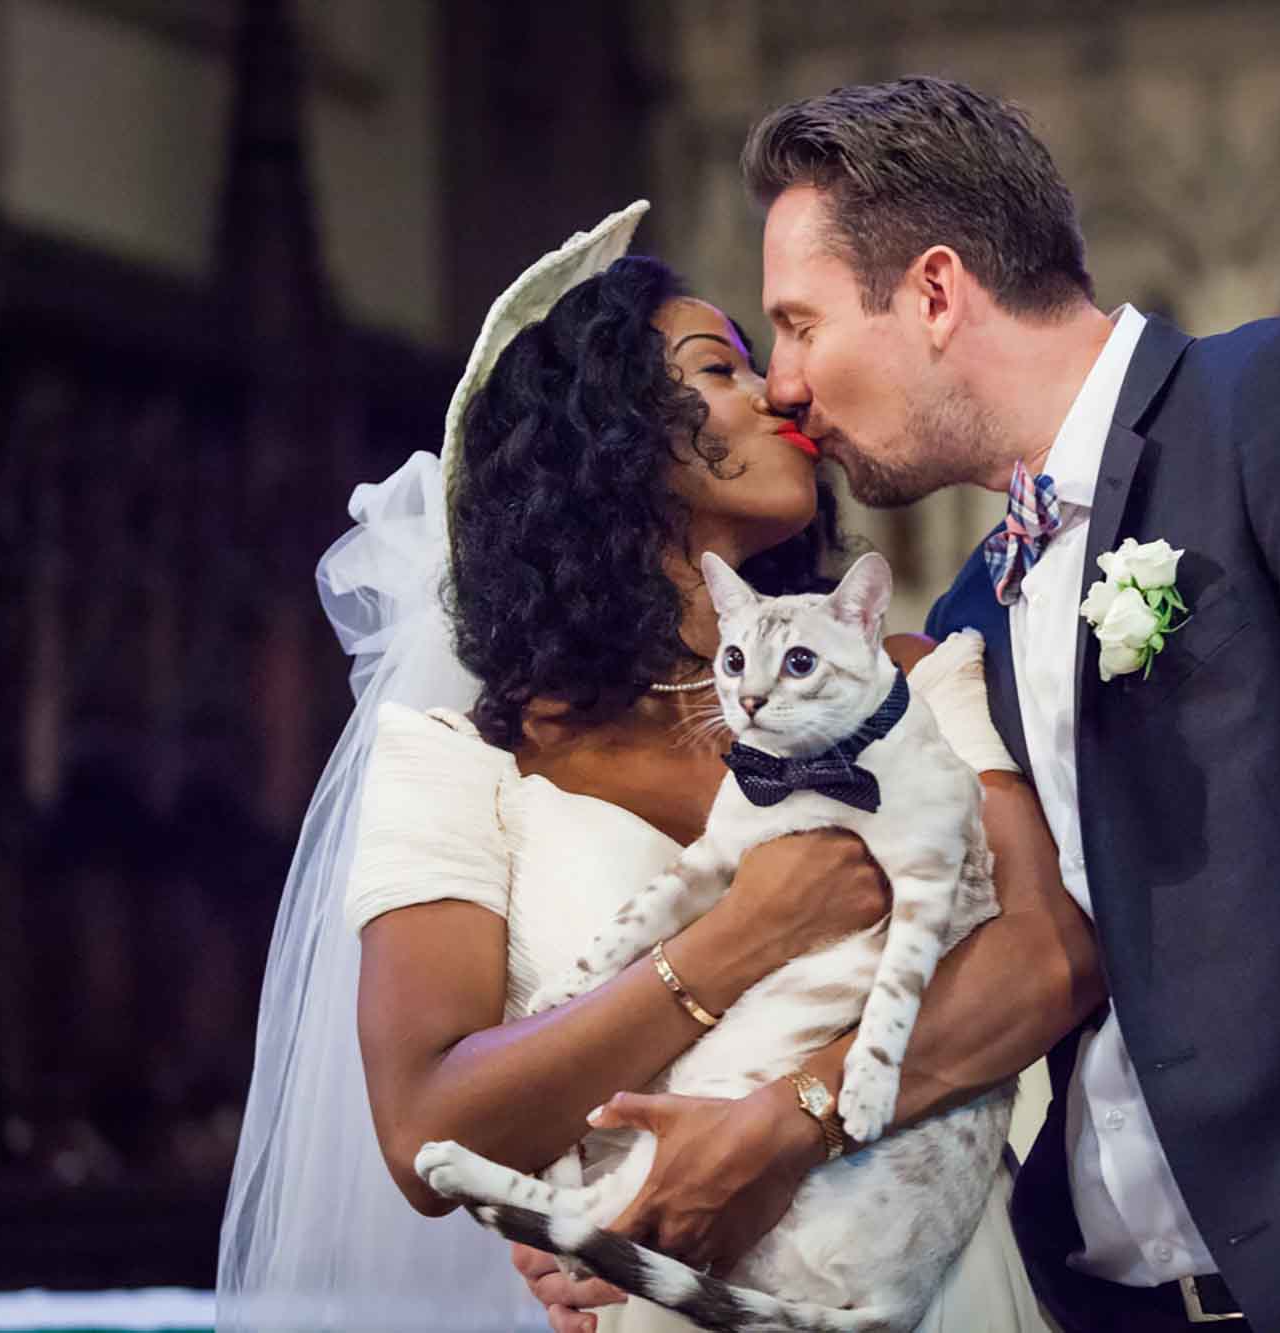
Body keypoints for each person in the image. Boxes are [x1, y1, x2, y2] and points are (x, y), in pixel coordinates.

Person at [538, 78, 1280, 1332]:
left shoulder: (1279, 410)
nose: (786, 384)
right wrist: (648, 1183)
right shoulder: (963, 621)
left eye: (796, 325)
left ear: (932, 292)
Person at [218, 202, 1093, 1332]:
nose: (779, 392)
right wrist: (743, 934)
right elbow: (422, 1129)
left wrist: (786, 1127)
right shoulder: (463, 763)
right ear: (604, 439)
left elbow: (1049, 957)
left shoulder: (907, 680)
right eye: (717, 367)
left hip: (935, 1288)